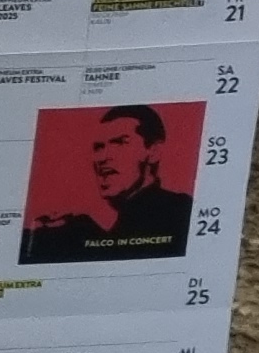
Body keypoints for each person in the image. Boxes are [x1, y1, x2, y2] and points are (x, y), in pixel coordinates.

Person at [19, 103, 196, 262]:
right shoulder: (122, 223)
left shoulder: (181, 212)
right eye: (99, 147)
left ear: (153, 152)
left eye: (119, 143)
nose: (102, 157)